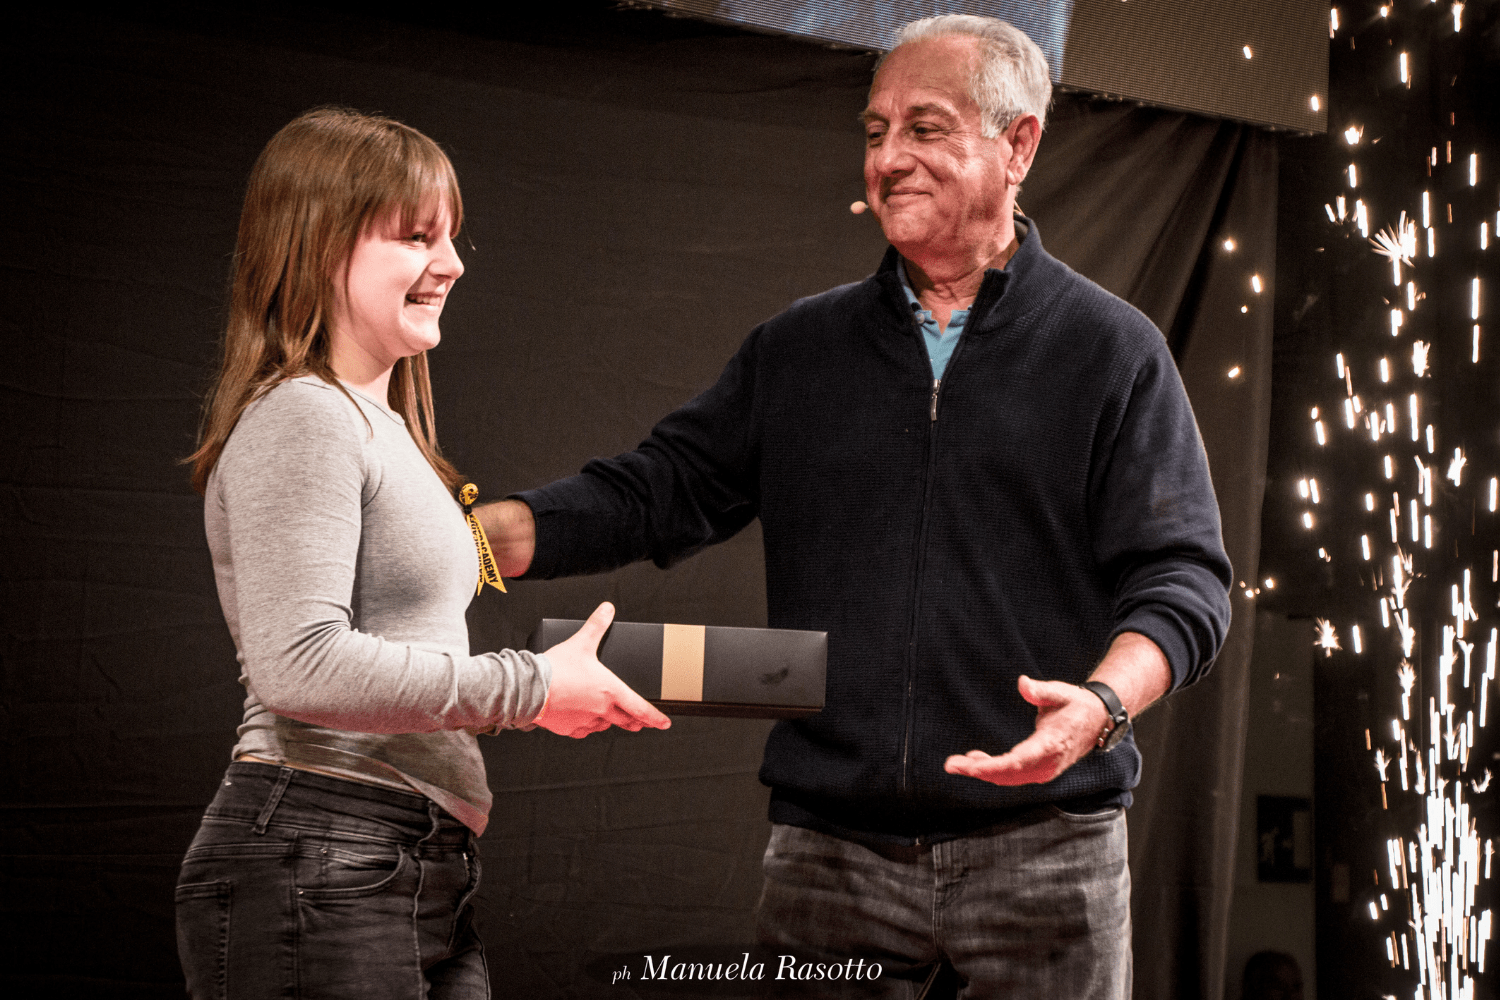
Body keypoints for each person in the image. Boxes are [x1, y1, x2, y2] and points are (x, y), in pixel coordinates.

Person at [482, 14, 1231, 997]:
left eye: (925, 128)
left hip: (1050, 851)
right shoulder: (800, 351)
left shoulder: (1113, 350)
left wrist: (1099, 706)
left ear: (1019, 145)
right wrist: (478, 540)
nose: (888, 159)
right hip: (831, 856)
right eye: (876, 131)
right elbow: (658, 490)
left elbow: (1184, 581)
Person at [176, 107, 669, 1000]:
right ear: (318, 244)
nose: (451, 264)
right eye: (416, 237)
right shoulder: (303, 414)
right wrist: (532, 686)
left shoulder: (383, 427)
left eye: (450, 238)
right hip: (322, 849)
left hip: (412, 859)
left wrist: (551, 688)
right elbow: (299, 664)